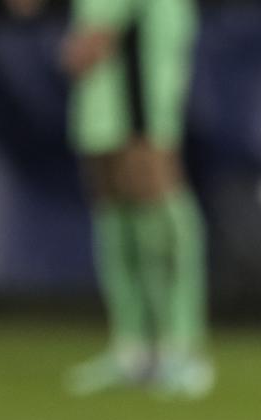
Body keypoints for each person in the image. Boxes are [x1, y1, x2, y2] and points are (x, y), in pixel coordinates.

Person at [51, 0, 212, 397]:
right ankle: (133, 349)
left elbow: (92, 43)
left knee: (166, 225)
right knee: (116, 225)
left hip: (142, 111)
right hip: (98, 109)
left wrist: (84, 45)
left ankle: (182, 349)